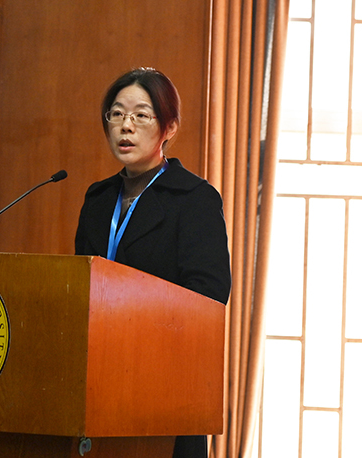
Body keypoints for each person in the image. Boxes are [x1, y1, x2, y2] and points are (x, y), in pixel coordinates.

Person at [75, 67, 231, 458]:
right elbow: (79, 284)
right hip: (97, 380)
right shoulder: (98, 200)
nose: (125, 126)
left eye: (141, 115)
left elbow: (209, 294)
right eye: (116, 114)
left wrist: (134, 318)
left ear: (169, 127)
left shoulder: (194, 199)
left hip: (163, 381)